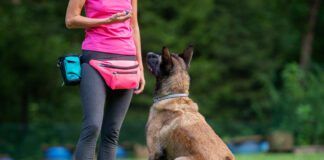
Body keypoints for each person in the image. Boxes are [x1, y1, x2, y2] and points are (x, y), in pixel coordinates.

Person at [65, 0, 145, 159]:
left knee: (112, 132)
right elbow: (71, 20)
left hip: (127, 63)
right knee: (92, 126)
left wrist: (140, 66)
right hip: (95, 59)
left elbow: (134, 25)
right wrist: (106, 21)